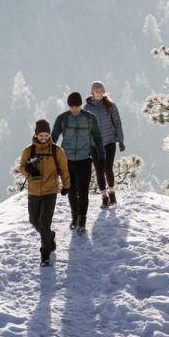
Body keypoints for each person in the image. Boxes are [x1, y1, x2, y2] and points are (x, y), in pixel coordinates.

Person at [51, 91, 104, 234]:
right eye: (72, 106)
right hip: (66, 161)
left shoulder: (90, 118)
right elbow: (53, 138)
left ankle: (82, 221)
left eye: (77, 106)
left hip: (84, 160)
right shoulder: (62, 119)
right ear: (68, 106)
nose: (74, 109)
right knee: (71, 191)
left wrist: (102, 156)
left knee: (83, 192)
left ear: (81, 105)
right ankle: (74, 217)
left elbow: (98, 138)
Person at [20, 118, 70, 267]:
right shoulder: (28, 151)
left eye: (46, 135)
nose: (43, 138)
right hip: (34, 192)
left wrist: (66, 185)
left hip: (50, 191)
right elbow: (21, 167)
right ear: (36, 135)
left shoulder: (56, 151)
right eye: (41, 135)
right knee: (34, 221)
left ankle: (45, 254)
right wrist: (27, 169)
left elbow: (64, 169)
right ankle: (50, 236)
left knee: (44, 222)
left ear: (49, 135)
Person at [85, 80, 126, 208]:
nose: (99, 92)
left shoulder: (110, 105)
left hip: (109, 142)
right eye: (97, 90)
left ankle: (112, 193)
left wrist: (121, 140)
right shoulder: (87, 108)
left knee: (108, 169)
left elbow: (117, 123)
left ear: (104, 91)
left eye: (101, 90)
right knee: (99, 170)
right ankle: (104, 196)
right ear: (92, 92)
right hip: (94, 145)